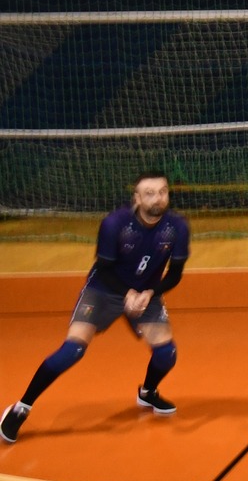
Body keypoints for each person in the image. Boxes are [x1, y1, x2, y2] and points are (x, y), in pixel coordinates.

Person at [4, 172, 189, 443]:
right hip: (104, 290)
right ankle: (21, 407)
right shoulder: (115, 224)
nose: (158, 198)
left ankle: (148, 393)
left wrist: (151, 293)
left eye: (163, 192)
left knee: (166, 354)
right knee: (73, 350)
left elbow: (175, 273)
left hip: (145, 294)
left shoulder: (177, 227)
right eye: (149, 193)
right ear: (137, 199)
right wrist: (127, 294)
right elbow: (104, 268)